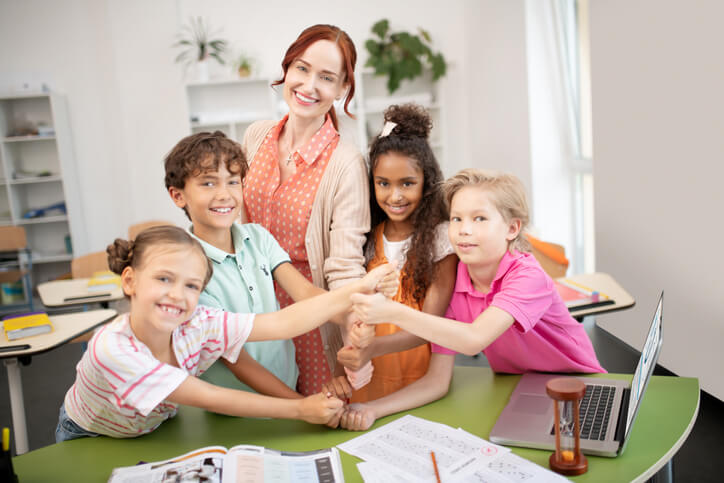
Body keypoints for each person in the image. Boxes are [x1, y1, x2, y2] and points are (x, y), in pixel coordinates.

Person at [55, 226, 394, 440]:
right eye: (163, 279)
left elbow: (282, 322)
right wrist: (300, 409)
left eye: (191, 285)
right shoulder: (112, 349)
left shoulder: (197, 323)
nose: (177, 295)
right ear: (129, 281)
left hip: (153, 424)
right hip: (91, 433)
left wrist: (357, 290)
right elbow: (211, 397)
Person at [342, 169, 605, 430]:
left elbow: (473, 339)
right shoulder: (457, 280)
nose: (464, 230)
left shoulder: (528, 276)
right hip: (519, 388)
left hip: (580, 386)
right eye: (456, 219)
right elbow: (437, 381)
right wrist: (373, 409)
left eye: (479, 219)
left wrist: (391, 312)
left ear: (512, 228)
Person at [165, 130, 370, 397]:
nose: (224, 194)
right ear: (178, 196)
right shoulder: (188, 271)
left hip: (287, 389)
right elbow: (238, 363)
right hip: (239, 409)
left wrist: (352, 320)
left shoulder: (258, 238)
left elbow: (306, 294)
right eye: (208, 183)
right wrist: (298, 406)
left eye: (233, 182)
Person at [242, 24, 369, 395]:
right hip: (253, 315)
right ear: (287, 69)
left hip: (310, 322)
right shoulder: (257, 136)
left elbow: (345, 265)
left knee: (309, 430)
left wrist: (353, 333)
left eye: (326, 77)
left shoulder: (346, 164)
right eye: (301, 68)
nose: (309, 85)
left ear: (343, 87)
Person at [336, 104, 457, 403]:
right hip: (370, 379)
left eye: (407, 183)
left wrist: (374, 347)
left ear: (426, 184)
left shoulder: (441, 242)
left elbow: (432, 327)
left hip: (419, 381)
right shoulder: (367, 239)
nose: (395, 196)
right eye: (383, 184)